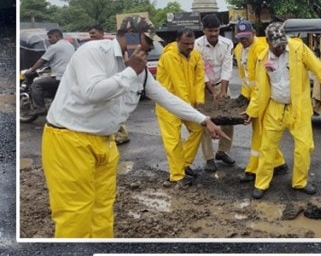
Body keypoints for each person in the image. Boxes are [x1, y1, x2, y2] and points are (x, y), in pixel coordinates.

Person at [41, 15, 229, 238]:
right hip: (69, 140)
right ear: (130, 36)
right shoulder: (93, 53)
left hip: (105, 142)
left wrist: (204, 120)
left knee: (103, 209)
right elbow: (92, 92)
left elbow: (167, 98)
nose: (150, 47)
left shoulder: (141, 72)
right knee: (75, 214)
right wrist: (130, 71)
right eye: (147, 42)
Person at [244, 22, 321, 199]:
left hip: (298, 107)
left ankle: (300, 182)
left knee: (304, 147)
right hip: (274, 108)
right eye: (276, 45)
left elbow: (320, 70)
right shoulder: (262, 58)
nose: (280, 48)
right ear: (267, 42)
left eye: (282, 44)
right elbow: (259, 90)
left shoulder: (299, 49)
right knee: (267, 148)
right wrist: (251, 112)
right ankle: (261, 183)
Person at [233, 20, 286, 183]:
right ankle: (279, 162)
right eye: (240, 37)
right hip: (253, 97)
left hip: (266, 98)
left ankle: (253, 169)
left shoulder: (262, 49)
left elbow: (262, 84)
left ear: (254, 33)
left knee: (259, 135)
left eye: (246, 37)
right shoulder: (239, 49)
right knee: (263, 135)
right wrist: (244, 96)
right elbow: (245, 77)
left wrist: (253, 109)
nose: (243, 40)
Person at [156, 27, 205, 186]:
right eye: (186, 44)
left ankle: (183, 163)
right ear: (177, 41)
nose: (190, 47)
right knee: (173, 140)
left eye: (192, 43)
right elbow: (179, 84)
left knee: (198, 129)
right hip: (168, 104)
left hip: (188, 104)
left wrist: (200, 101)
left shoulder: (195, 54)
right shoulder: (169, 56)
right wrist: (190, 109)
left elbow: (199, 79)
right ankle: (177, 176)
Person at [195, 14, 236, 172]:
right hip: (203, 86)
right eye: (210, 31)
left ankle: (222, 151)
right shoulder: (197, 45)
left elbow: (227, 67)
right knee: (205, 122)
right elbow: (200, 71)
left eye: (216, 30)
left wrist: (223, 91)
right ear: (204, 30)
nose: (213, 34)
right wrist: (211, 91)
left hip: (222, 84)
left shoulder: (227, 43)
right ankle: (209, 158)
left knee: (228, 120)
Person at [86, 24, 133, 147]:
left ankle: (121, 135)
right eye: (90, 33)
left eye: (94, 33)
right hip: (104, 83)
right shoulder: (91, 48)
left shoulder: (109, 47)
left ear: (101, 33)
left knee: (116, 109)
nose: (91, 35)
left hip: (114, 82)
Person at [21, 29, 75, 112]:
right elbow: (60, 60)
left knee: (36, 84)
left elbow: (42, 61)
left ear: (57, 36)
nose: (48, 40)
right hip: (69, 77)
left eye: (50, 37)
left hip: (59, 77)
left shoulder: (54, 47)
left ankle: (40, 107)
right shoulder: (70, 46)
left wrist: (31, 70)